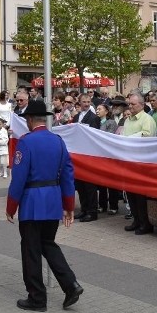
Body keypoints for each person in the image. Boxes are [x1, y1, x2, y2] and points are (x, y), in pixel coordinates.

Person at [6, 99, 83, 312]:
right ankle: (71, 284)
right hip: (53, 200)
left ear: (30, 120)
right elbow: (68, 175)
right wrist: (68, 205)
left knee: (31, 249)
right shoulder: (57, 141)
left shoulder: (26, 142)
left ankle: (37, 298)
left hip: (32, 201)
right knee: (48, 244)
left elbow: (19, 178)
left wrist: (11, 206)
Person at [123, 93, 157, 234]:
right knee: (131, 193)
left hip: (142, 162)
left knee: (141, 195)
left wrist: (130, 138)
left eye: (133, 104)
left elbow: (147, 136)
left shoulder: (147, 119)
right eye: (129, 104)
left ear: (142, 105)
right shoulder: (128, 120)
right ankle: (136, 220)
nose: (130, 106)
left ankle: (145, 223)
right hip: (129, 160)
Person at [72, 93, 100, 222]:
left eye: (88, 102)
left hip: (89, 155)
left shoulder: (94, 117)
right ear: (79, 102)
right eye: (84, 102)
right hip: (78, 154)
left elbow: (95, 136)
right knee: (80, 184)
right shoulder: (76, 117)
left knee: (90, 185)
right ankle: (84, 209)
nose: (87, 104)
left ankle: (92, 211)